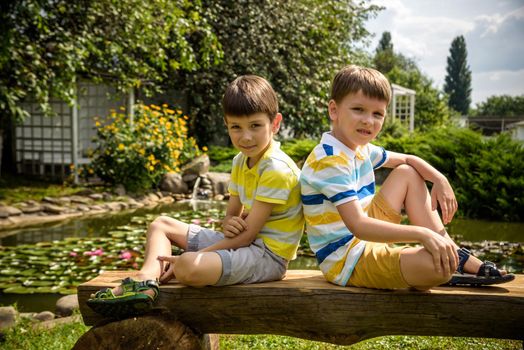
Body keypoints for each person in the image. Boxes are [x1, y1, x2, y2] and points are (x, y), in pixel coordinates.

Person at [88, 75, 304, 317]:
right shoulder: (240, 161)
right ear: (226, 125)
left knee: (189, 266)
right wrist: (229, 222)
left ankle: (172, 270)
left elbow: (246, 238)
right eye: (236, 127)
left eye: (255, 126)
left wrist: (195, 257)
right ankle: (146, 280)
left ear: (274, 124)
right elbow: (231, 218)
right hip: (242, 244)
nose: (245, 137)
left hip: (266, 257)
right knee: (160, 225)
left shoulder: (276, 168)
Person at [300, 65, 514, 290]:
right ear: (334, 110)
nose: (368, 121)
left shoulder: (357, 147)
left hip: (365, 239)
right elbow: (359, 226)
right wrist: (421, 234)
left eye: (377, 114)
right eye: (358, 109)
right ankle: (446, 262)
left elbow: (408, 159)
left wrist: (440, 179)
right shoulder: (330, 160)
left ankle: (456, 256)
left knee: (408, 173)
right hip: (348, 260)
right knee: (437, 266)